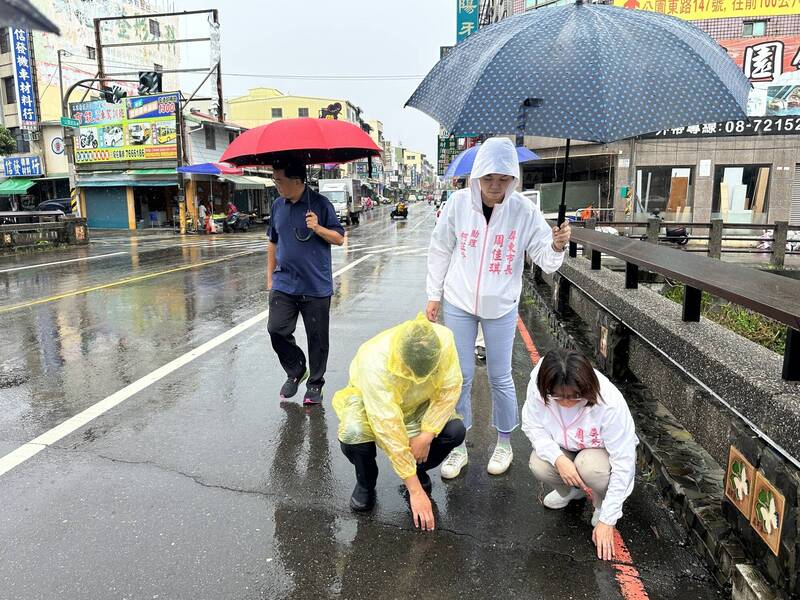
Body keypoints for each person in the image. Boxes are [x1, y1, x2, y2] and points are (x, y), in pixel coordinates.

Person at [426, 137, 571, 479]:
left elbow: (546, 262)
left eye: (503, 179)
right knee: (458, 376)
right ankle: (457, 446)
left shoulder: (523, 211)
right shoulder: (459, 204)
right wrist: (434, 294)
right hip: (459, 301)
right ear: (477, 176)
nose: (495, 187)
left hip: (502, 305)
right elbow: (440, 248)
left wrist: (556, 244)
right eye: (488, 179)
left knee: (500, 376)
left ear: (513, 179)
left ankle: (504, 441)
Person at [333, 314, 465, 531]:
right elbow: (387, 426)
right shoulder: (374, 360)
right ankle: (366, 481)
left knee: (454, 430)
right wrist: (414, 490)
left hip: (419, 401)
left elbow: (449, 390)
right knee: (353, 433)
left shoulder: (444, 341)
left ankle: (419, 467)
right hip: (372, 404)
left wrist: (427, 434)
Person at [522, 349, 638, 561]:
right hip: (564, 447)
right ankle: (570, 492)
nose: (566, 403)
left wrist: (608, 520)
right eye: (558, 397)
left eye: (575, 397)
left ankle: (600, 503)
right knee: (539, 462)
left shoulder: (609, 402)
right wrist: (558, 459)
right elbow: (532, 425)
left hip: (597, 454)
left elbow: (624, 463)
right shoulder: (539, 385)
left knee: (590, 466)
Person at [267, 158, 345, 405]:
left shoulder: (321, 205)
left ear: (297, 180)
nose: (276, 184)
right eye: (275, 179)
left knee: (317, 339)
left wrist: (318, 227)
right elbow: (273, 241)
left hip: (315, 285)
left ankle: (315, 384)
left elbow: (339, 238)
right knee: (276, 329)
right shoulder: (277, 205)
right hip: (284, 283)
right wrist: (270, 277)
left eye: (279, 180)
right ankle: (296, 369)